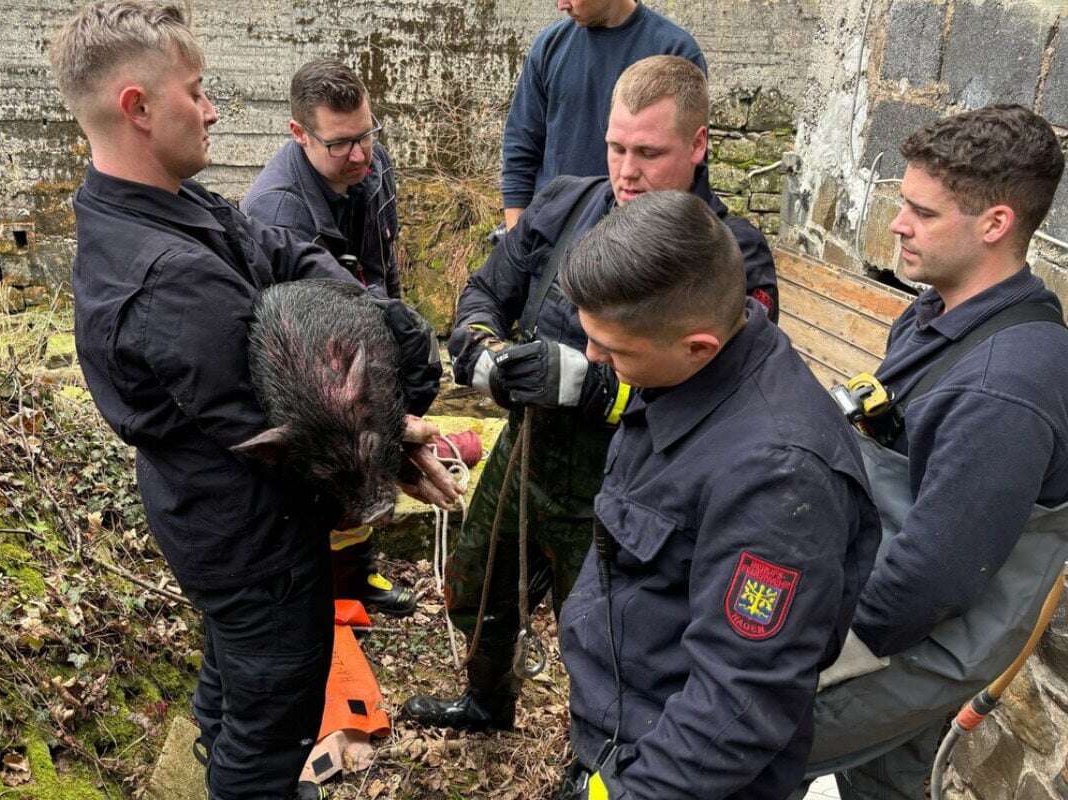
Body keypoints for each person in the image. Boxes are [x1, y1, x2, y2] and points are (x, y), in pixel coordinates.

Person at [48, 4, 457, 799]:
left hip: (214, 522)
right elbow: (297, 433)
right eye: (195, 92)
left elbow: (284, 251)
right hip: (253, 545)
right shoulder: (170, 281)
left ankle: (228, 754)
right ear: (138, 108)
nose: (211, 109)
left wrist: (363, 316)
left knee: (237, 679)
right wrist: (390, 441)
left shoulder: (165, 200)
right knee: (276, 722)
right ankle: (251, 779)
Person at [401, 55, 777, 732]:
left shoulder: (730, 257)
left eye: (649, 153)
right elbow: (487, 289)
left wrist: (586, 381)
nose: (627, 172)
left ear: (698, 146)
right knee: (478, 588)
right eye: (616, 147)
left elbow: (728, 397)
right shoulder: (564, 202)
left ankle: (593, 757)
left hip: (628, 485)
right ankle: (488, 701)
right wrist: (484, 351)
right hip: (527, 456)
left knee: (610, 644)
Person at [554, 190, 879, 799]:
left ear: (698, 344)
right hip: (624, 734)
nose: (593, 356)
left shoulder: (777, 480)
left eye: (614, 349)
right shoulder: (687, 374)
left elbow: (739, 702)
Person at [801, 105, 1068, 799]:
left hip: (911, 642)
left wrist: (810, 658)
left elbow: (931, 581)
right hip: (876, 597)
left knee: (750, 737)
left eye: (921, 212)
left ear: (995, 224)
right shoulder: (936, 314)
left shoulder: (1003, 387)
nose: (896, 223)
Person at [241, 59, 414, 617]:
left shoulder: (370, 163)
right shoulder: (276, 212)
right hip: (319, 369)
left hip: (368, 323)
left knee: (368, 456)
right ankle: (328, 584)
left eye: (367, 134)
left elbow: (382, 261)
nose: (361, 155)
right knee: (337, 465)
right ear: (299, 133)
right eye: (341, 144)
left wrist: (395, 324)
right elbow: (294, 337)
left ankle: (359, 575)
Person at [502, 0, 706, 229]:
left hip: (634, 242)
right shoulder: (550, 46)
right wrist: (515, 235)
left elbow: (690, 169)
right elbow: (520, 147)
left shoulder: (674, 51)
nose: (561, 5)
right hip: (549, 238)